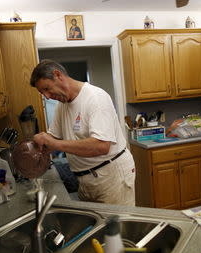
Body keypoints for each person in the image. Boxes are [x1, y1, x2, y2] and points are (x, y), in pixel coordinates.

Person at [30, 60, 135, 206]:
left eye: (47, 88)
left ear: (58, 75)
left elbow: (101, 146)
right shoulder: (62, 105)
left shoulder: (95, 98)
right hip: (85, 179)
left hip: (111, 175)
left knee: (118, 227)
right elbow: (53, 137)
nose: (47, 96)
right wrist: (40, 142)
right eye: (42, 93)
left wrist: (54, 143)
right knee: (97, 227)